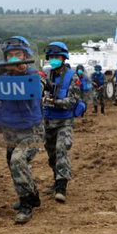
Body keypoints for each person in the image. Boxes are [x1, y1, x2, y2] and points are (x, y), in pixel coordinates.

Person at [0, 36, 43, 224]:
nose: (15, 59)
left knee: (18, 160)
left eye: (19, 55)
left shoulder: (34, 75)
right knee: (14, 165)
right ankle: (32, 194)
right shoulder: (0, 77)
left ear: (26, 56)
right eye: (10, 56)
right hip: (10, 130)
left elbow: (40, 86)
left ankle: (26, 205)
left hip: (32, 130)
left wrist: (21, 72)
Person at [42, 42, 82, 203]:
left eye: (57, 57)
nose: (53, 60)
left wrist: (54, 102)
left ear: (64, 58)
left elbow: (72, 100)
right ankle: (56, 178)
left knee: (61, 150)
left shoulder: (72, 76)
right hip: (47, 120)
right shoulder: (46, 75)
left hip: (64, 121)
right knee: (51, 155)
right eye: (51, 57)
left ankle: (61, 187)